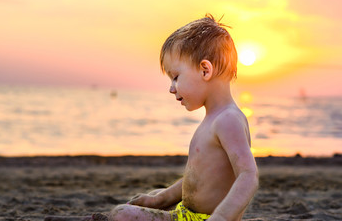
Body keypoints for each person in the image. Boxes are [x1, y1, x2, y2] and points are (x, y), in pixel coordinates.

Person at [45, 14, 259, 221]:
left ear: (205, 70)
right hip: (186, 213)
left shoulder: (228, 120)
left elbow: (248, 176)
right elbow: (203, 178)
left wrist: (221, 217)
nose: (171, 88)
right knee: (146, 199)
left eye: (176, 77)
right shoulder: (213, 119)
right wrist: (162, 198)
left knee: (123, 214)